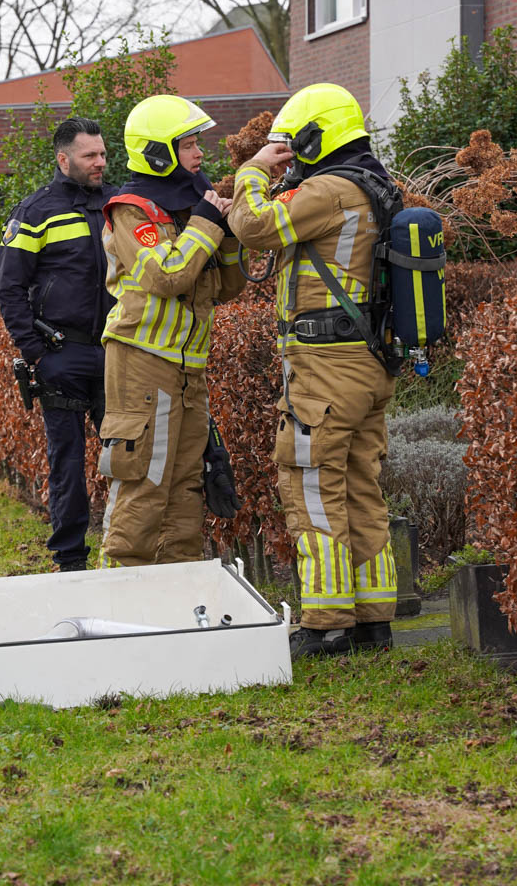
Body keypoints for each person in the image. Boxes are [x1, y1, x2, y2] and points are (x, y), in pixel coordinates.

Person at [226, 83, 400, 659]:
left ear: (312, 136)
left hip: (326, 364)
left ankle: (326, 624)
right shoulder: (376, 187)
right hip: (367, 362)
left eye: (293, 144)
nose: (291, 155)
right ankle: (375, 618)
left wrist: (252, 171)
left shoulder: (328, 189)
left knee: (312, 487)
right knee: (359, 488)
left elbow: (253, 227)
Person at [97, 95, 245, 567]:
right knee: (144, 479)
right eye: (188, 144)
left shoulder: (190, 208)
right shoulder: (132, 211)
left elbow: (226, 288)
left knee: (185, 484)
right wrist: (206, 225)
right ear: (158, 152)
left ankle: (177, 596)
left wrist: (230, 233)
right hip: (143, 362)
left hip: (187, 368)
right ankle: (120, 596)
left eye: (198, 142)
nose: (200, 153)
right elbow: (168, 276)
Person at [0, 117, 117, 572]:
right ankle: (70, 560)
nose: (100, 162)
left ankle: (126, 551)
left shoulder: (118, 204)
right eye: (90, 155)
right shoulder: (35, 211)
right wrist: (36, 352)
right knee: (66, 463)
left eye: (103, 153)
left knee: (129, 457)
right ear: (64, 159)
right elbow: (8, 288)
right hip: (61, 355)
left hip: (118, 352)